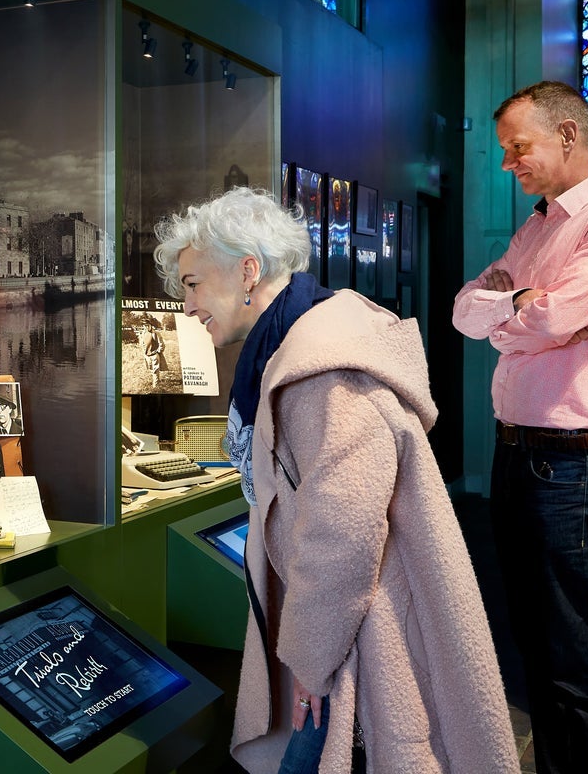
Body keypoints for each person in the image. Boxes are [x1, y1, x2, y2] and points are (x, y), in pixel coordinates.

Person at [155, 187, 517, 773]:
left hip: (357, 637)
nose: (187, 302)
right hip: (346, 627)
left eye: (193, 283)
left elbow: (343, 528)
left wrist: (310, 659)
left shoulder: (319, 369)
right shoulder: (297, 345)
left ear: (248, 271)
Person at [452, 80, 588, 774]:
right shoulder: (539, 225)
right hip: (517, 458)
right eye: (506, 153)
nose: (509, 164)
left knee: (582, 662)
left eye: (520, 148)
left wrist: (514, 315)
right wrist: (522, 306)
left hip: (576, 465)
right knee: (537, 652)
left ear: (569, 135)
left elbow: (551, 318)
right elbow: (465, 310)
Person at [138, 321, 164, 387]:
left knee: (155, 370)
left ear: (150, 325)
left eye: (147, 325)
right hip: (147, 355)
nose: (146, 327)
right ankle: (157, 380)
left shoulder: (155, 333)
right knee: (151, 369)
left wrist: (158, 351)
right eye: (145, 325)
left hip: (154, 355)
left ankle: (156, 385)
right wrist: (144, 352)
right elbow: (142, 343)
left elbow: (161, 343)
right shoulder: (143, 333)